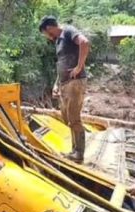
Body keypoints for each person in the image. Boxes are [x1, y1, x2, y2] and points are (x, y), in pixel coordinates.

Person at [39, 16, 90, 163]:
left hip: (75, 82)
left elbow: (84, 42)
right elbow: (61, 63)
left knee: (74, 118)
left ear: (49, 28)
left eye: (47, 34)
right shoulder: (59, 41)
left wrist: (79, 67)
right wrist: (56, 83)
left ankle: (79, 153)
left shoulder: (68, 31)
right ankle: (75, 150)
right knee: (67, 118)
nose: (48, 37)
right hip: (64, 84)